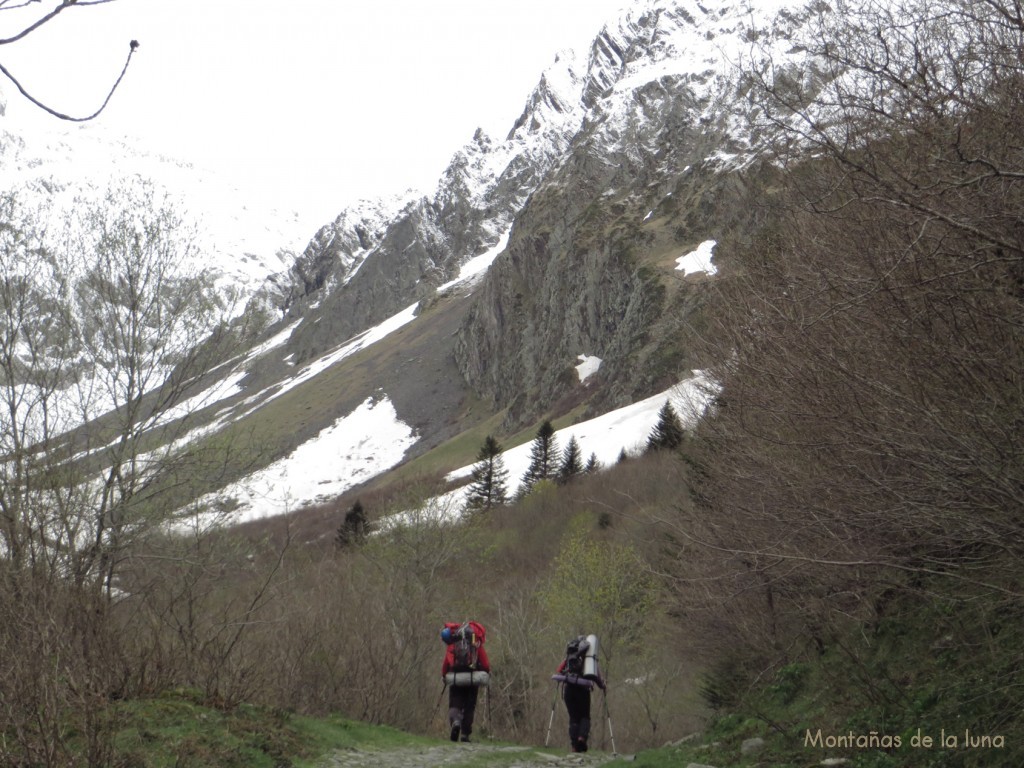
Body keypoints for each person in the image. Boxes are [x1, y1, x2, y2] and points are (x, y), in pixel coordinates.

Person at [554, 635, 606, 753]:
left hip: (569, 690)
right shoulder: (589, 660)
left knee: (573, 718)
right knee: (585, 716)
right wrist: (603, 686)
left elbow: (559, 671)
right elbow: (597, 678)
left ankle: (574, 746)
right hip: (582, 691)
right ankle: (582, 738)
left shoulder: (569, 658)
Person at [440, 620, 490, 743]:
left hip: (456, 678)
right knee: (469, 706)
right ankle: (465, 734)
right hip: (472, 678)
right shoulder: (475, 642)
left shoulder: (454, 642)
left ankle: (456, 722)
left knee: (455, 704)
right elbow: (485, 664)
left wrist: (444, 675)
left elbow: (446, 662)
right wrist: (485, 673)